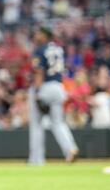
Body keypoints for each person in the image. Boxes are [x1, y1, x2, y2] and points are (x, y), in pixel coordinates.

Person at [28, 27, 79, 165]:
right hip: (58, 87)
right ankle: (70, 149)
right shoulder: (58, 49)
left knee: (37, 124)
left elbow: (39, 71)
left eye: (39, 33)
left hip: (44, 86)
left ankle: (36, 160)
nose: (36, 35)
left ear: (45, 35)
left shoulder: (40, 49)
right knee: (58, 122)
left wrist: (37, 94)